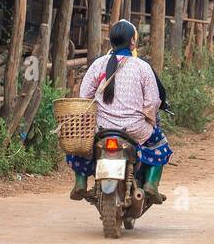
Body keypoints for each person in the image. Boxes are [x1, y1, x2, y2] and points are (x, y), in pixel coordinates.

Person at [68, 19, 172, 202]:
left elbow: (85, 97)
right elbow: (152, 102)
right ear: (133, 41)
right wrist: (150, 119)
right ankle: (151, 184)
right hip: (134, 129)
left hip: (100, 128)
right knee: (160, 144)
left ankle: (80, 182)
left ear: (111, 41)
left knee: (79, 144)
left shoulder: (98, 64)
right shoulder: (142, 67)